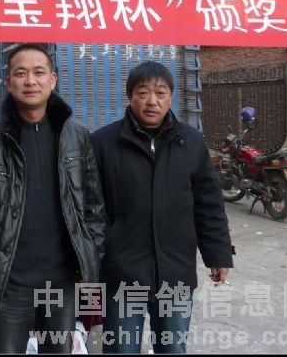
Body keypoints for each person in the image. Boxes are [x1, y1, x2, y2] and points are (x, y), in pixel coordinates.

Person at [0, 43, 107, 353]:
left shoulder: (77, 136)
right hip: (7, 284)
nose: (30, 81)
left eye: (39, 72)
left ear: (52, 79)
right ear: (8, 82)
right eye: (21, 73)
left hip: (62, 282)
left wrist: (88, 263)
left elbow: (93, 207)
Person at [91, 60, 234, 354]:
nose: (152, 101)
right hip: (123, 273)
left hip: (176, 272)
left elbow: (208, 204)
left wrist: (218, 254)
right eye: (143, 93)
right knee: (121, 349)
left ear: (171, 97)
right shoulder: (103, 143)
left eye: (160, 93)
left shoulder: (191, 142)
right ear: (129, 96)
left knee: (172, 348)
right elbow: (91, 210)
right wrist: (94, 260)